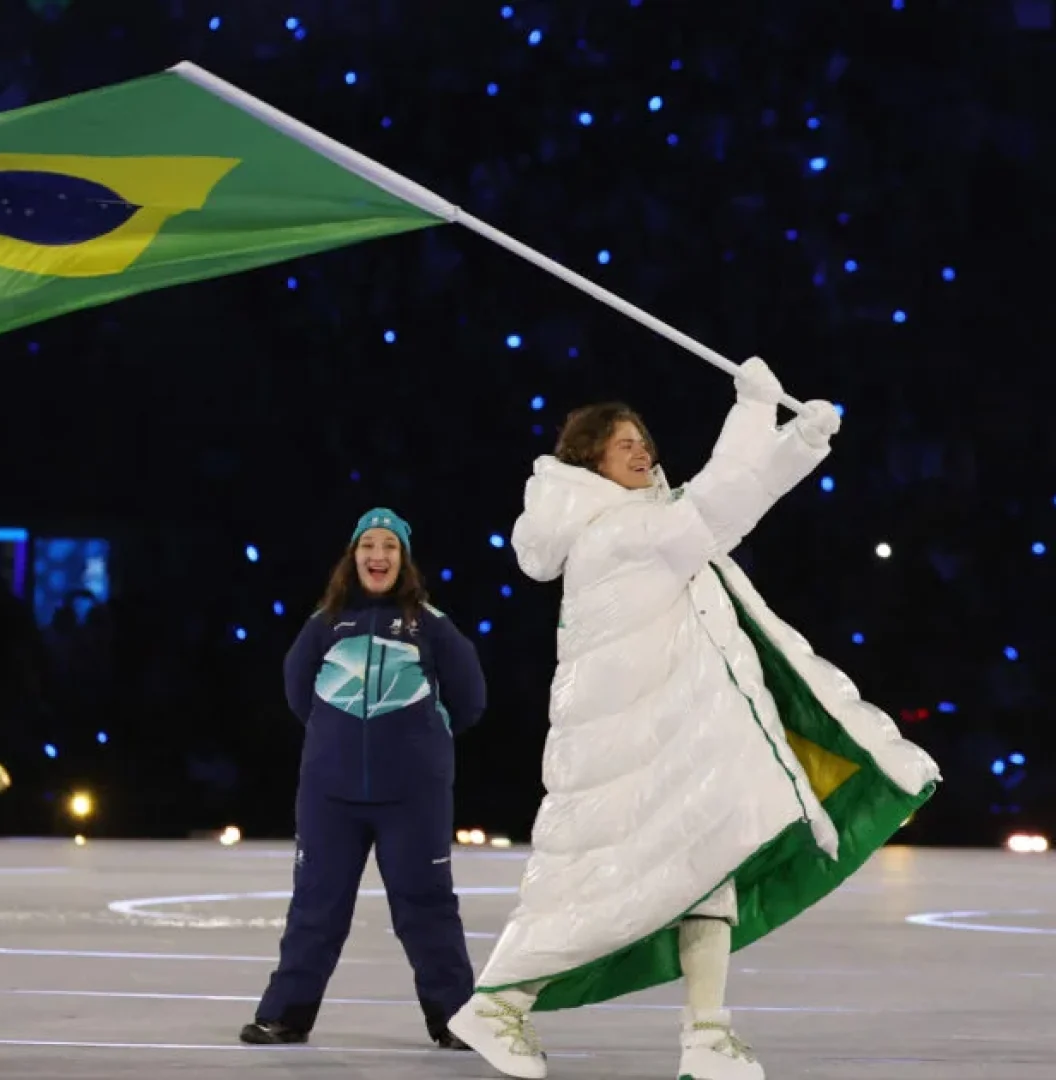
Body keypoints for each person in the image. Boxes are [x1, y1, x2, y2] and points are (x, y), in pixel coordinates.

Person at [446, 359, 941, 1080]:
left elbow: (722, 505)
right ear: (591, 463)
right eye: (623, 445)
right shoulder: (618, 534)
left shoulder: (648, 522)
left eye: (642, 438)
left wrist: (797, 442)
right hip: (630, 755)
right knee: (598, 895)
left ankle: (707, 1037)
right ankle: (497, 1006)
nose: (642, 449)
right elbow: (717, 507)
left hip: (674, 745)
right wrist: (751, 413)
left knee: (706, 874)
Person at [241, 507, 489, 1051]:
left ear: (404, 559)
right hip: (330, 797)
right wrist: (338, 739)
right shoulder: (323, 623)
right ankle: (286, 1015)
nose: (378, 556)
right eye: (368, 546)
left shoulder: (432, 623)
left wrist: (425, 738)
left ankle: (455, 1019)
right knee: (315, 905)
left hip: (413, 798)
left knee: (427, 907)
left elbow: (470, 698)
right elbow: (296, 689)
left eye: (390, 547)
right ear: (352, 557)